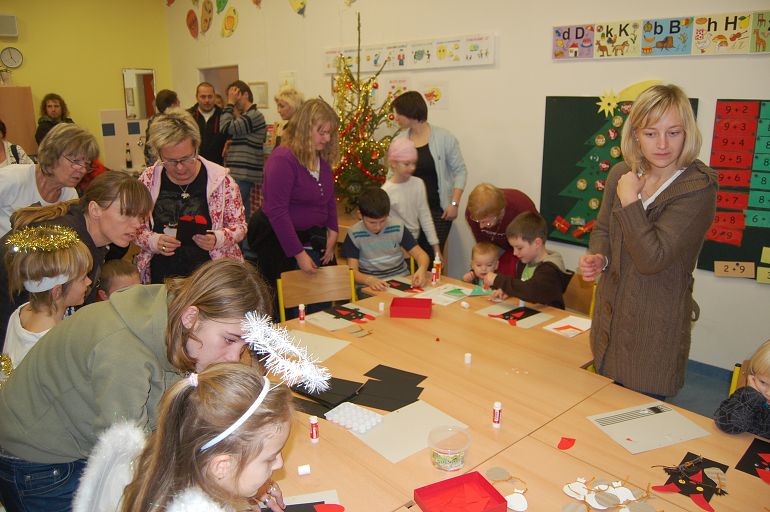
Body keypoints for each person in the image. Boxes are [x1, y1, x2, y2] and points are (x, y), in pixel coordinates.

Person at [0, 259, 272, 511]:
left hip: (77, 447)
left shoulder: (174, 319)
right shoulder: (124, 354)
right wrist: (223, 486)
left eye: (243, 345)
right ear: (191, 317)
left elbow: (181, 422)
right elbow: (129, 461)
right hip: (39, 467)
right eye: (229, 339)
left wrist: (245, 474)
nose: (234, 357)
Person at [578, 84, 718, 398]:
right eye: (651, 133)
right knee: (598, 407)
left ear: (687, 133)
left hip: (652, 333)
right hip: (609, 324)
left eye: (674, 132)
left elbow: (652, 258)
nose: (663, 144)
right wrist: (600, 257)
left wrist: (631, 202)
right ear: (636, 135)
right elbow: (603, 230)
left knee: (636, 416)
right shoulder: (621, 173)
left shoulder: (698, 188)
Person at [74, 363, 291, 512]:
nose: (279, 463)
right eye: (270, 458)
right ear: (222, 466)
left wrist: (238, 487)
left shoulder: (163, 471)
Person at [0, 171, 152, 350]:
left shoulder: (90, 237)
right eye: (126, 214)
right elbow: (39, 322)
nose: (137, 225)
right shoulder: (65, 246)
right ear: (95, 210)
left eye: (140, 216)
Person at [135, 108, 246, 284]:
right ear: (159, 154)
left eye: (186, 158)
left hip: (210, 279)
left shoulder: (221, 181)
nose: (180, 168)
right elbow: (133, 228)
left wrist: (216, 239)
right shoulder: (147, 181)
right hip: (162, 277)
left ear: (196, 147)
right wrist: (154, 241)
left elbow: (239, 227)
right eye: (170, 161)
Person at [250, 98, 339, 288]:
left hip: (311, 239)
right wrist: (298, 254)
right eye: (322, 133)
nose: (327, 139)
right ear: (305, 129)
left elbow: (329, 197)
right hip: (280, 243)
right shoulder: (282, 159)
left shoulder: (320, 156)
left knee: (323, 292)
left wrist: (333, 231)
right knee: (290, 297)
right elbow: (277, 211)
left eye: (329, 133)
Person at [2, 225, 92, 369]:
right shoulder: (53, 346)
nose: (89, 281)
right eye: (83, 278)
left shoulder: (22, 311)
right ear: (57, 291)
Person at [391, 90, 467, 255]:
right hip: (408, 211)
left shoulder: (444, 138)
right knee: (411, 257)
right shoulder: (399, 141)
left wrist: (454, 204)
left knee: (432, 258)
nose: (396, 118)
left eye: (399, 113)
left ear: (410, 113)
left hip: (438, 211)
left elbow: (460, 171)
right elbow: (392, 176)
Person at [0, 122, 97, 236]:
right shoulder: (10, 178)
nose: (83, 170)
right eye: (76, 161)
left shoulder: (70, 196)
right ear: (52, 155)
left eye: (86, 164)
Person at [342, 187, 429, 291]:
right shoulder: (354, 234)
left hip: (401, 281)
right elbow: (352, 272)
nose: (378, 227)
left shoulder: (397, 227)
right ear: (360, 214)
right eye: (372, 222)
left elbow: (421, 254)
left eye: (383, 221)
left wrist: (422, 269)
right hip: (369, 286)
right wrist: (369, 280)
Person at [483, 211, 572, 309]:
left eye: (519, 248)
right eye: (513, 248)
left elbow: (531, 291)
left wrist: (498, 280)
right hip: (531, 311)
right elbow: (521, 287)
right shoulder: (525, 262)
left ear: (537, 243)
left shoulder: (550, 269)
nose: (515, 253)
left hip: (551, 315)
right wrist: (508, 291)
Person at [381, 137, 441, 261]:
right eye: (407, 164)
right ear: (394, 163)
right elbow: (383, 223)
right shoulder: (386, 191)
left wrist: (436, 249)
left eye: (414, 163)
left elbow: (425, 217)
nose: (412, 168)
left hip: (414, 243)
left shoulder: (418, 184)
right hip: (394, 245)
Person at [464, 183, 538, 276]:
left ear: (500, 211)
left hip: (523, 247)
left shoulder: (521, 209)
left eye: (486, 222)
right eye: (478, 221)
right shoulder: (473, 212)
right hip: (497, 249)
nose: (481, 227)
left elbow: (533, 244)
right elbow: (484, 248)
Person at [220, 80, 267, 222]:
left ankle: (243, 238)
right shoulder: (245, 116)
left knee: (234, 210)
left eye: (236, 95)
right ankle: (245, 237)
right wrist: (231, 143)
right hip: (240, 172)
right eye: (231, 96)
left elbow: (225, 128)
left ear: (246, 94)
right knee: (242, 213)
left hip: (244, 173)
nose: (234, 100)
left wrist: (229, 104)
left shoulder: (254, 115)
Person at [714, 339, 770, 438]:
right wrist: (751, 397)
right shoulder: (745, 396)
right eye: (763, 382)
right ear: (753, 376)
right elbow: (726, 425)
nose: (768, 393)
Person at [188, 82, 228, 166]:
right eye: (203, 97)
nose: (207, 100)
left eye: (210, 96)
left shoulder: (224, 116)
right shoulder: (188, 116)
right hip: (193, 165)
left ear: (214, 96)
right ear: (197, 97)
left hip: (218, 166)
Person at [144, 89, 181, 166]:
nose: (180, 104)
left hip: (154, 165)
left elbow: (148, 150)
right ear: (173, 105)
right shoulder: (172, 123)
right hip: (166, 165)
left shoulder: (153, 120)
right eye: (178, 102)